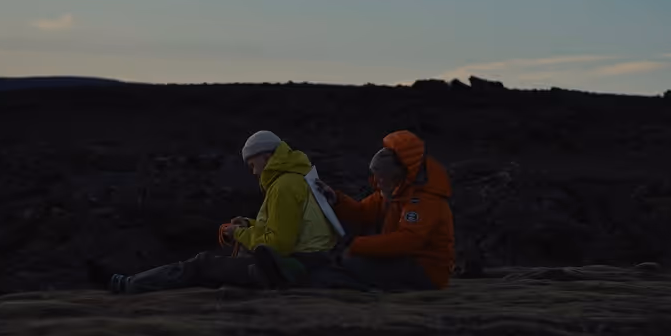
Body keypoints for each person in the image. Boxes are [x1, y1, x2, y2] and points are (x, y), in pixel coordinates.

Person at [91, 130, 339, 293]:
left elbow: (278, 244)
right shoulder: (299, 179)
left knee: (200, 264)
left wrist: (239, 233)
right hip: (309, 261)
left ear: (266, 156)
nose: (254, 173)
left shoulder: (283, 186)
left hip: (293, 265)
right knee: (218, 266)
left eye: (253, 165)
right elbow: (286, 228)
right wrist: (249, 226)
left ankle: (128, 285)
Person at [315, 130, 455, 291]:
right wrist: (336, 199)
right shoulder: (391, 192)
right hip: (403, 260)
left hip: (427, 269)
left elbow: (408, 240)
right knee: (349, 261)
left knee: (352, 262)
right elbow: (362, 213)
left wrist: (356, 245)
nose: (375, 182)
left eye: (380, 177)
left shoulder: (425, 200)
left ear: (397, 176)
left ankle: (386, 288)